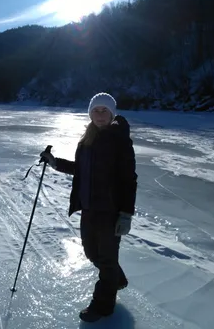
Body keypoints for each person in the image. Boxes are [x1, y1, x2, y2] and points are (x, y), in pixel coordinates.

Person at [41, 92, 137, 322]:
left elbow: (129, 178)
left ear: (112, 113)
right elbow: (81, 168)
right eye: (95, 110)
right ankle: (116, 279)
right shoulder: (87, 140)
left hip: (110, 211)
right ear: (90, 113)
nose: (100, 114)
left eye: (104, 110)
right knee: (91, 252)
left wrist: (126, 214)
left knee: (106, 259)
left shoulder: (120, 139)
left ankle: (103, 306)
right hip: (89, 208)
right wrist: (54, 162)